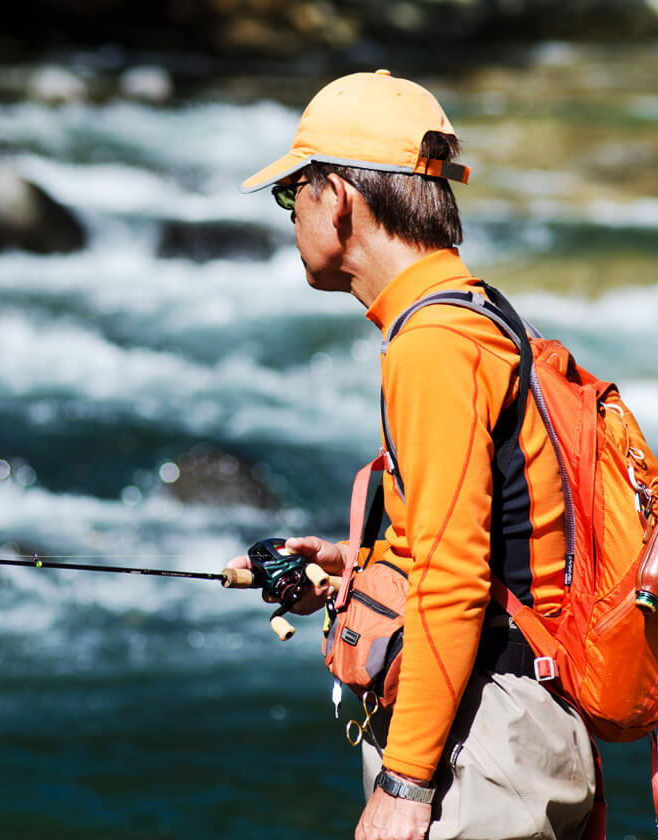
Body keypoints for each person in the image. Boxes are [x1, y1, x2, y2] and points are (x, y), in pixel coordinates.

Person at [229, 70, 598, 840]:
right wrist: (350, 570)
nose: (290, 213)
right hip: (506, 717)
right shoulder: (472, 310)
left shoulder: (431, 344)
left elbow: (457, 577)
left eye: (289, 193)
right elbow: (478, 537)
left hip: (485, 744)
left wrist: (406, 783)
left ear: (337, 198)